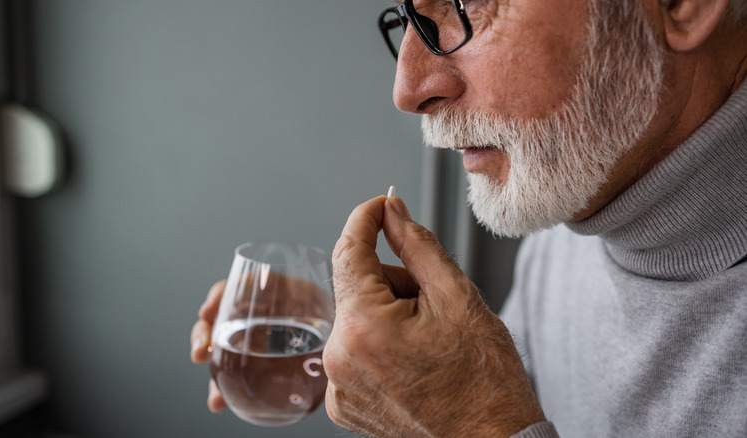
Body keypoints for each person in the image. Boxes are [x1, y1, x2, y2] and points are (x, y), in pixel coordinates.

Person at [191, 0, 747, 436]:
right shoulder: (575, 212)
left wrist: (470, 428)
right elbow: (525, 406)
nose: (408, 90)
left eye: (467, 1)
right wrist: (352, 340)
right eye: (407, 15)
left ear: (683, 3)